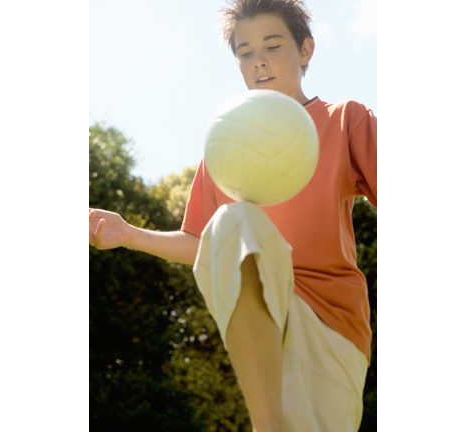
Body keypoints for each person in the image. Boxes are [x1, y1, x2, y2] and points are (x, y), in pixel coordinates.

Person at [89, 1, 376, 431]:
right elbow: (204, 243)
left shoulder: (344, 119)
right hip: (257, 316)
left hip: (329, 318)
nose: (258, 60)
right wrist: (127, 233)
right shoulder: (225, 146)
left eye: (272, 46)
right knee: (231, 223)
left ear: (305, 51)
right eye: (245, 52)